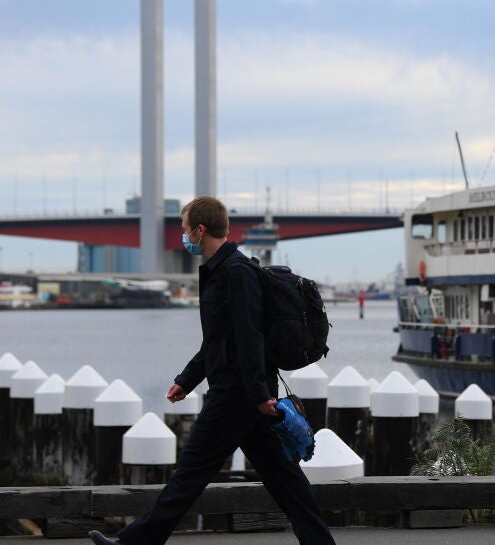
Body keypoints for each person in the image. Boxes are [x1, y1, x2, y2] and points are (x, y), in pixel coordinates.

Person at [90, 196, 334, 545]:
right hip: (244, 392)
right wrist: (187, 379)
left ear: (200, 230)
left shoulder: (236, 272)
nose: (183, 235)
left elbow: (249, 336)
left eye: (184, 227)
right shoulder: (223, 270)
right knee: (284, 479)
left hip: (237, 394)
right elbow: (220, 339)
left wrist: (258, 394)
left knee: (190, 474)